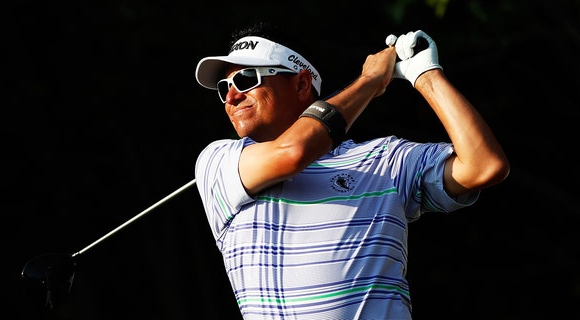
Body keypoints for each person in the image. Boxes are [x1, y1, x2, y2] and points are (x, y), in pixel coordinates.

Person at [193, 22, 509, 320]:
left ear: (302, 83)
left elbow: (484, 165)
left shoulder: (384, 161)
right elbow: (293, 153)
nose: (231, 97)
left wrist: (425, 75)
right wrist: (371, 81)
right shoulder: (218, 161)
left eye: (247, 79)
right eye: (224, 87)